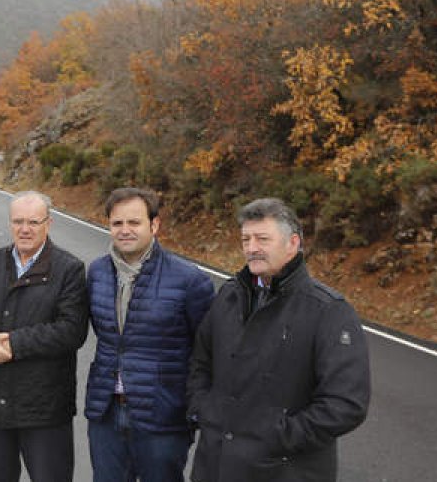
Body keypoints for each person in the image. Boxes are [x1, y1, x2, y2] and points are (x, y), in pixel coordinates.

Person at [187, 198, 371, 482]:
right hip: (215, 463)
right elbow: (201, 361)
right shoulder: (229, 296)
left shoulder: (328, 310)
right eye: (246, 239)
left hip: (285, 469)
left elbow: (345, 403)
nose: (251, 248)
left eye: (263, 239)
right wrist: (203, 410)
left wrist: (278, 435)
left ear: (292, 243)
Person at [84, 188, 214, 482]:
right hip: (105, 413)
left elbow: (206, 352)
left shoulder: (189, 280)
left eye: (134, 222)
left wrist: (194, 410)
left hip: (162, 417)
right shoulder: (98, 272)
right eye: (117, 223)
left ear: (154, 225)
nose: (125, 230)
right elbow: (106, 337)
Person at [0, 191, 89, 482]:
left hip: (45, 409)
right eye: (18, 221)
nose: (25, 229)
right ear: (10, 223)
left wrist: (12, 344)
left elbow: (71, 330)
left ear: (49, 224)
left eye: (33, 221)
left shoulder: (69, 270)